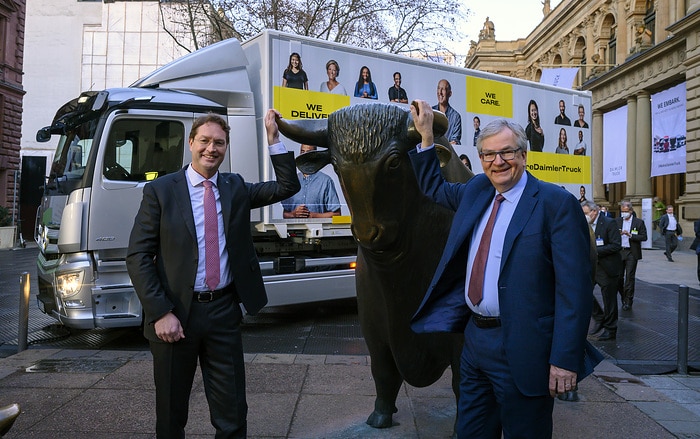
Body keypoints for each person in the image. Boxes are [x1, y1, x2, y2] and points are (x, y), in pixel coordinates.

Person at [408, 100, 596, 438]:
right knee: (471, 432)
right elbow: (434, 189)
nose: (498, 162)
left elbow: (575, 290)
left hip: (525, 349)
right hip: (475, 342)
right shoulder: (478, 190)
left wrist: (565, 359)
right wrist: (425, 138)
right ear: (480, 159)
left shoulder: (556, 204)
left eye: (507, 153)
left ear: (524, 155)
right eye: (488, 155)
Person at [126, 111, 300, 438]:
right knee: (171, 416)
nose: (211, 148)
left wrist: (274, 138)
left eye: (219, 142)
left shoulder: (234, 188)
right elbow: (137, 255)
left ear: (226, 147)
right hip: (175, 316)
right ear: (191, 143)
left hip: (223, 313)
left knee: (232, 414)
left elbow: (287, 186)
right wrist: (161, 312)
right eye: (204, 141)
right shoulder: (161, 191)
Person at [582, 201, 622, 341]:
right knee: (584, 292)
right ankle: (599, 317)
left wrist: (594, 251)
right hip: (593, 268)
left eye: (586, 213)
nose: (584, 216)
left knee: (609, 301)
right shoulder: (584, 225)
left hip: (608, 268)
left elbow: (616, 245)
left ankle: (611, 329)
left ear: (594, 212)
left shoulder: (609, 223)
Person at [282, 144, 341, 218]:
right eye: (302, 152)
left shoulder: (325, 181)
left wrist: (313, 216)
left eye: (308, 152)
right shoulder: (292, 181)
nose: (304, 155)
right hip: (294, 229)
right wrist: (293, 214)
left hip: (318, 229)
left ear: (314, 155)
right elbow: (285, 214)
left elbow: (336, 214)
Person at [615, 200, 648, 310]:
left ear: (631, 210)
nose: (623, 213)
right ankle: (624, 296)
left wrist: (630, 235)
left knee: (629, 277)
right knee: (618, 277)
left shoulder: (638, 222)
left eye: (625, 211)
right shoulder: (617, 221)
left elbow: (644, 237)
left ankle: (628, 300)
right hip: (620, 252)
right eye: (622, 211)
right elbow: (611, 235)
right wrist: (618, 234)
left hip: (631, 252)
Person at [432, 79, 462, 145]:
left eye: (443, 89)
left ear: (450, 94)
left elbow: (454, 142)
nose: (440, 92)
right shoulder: (430, 112)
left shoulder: (456, 117)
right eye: (438, 88)